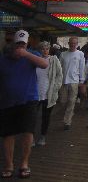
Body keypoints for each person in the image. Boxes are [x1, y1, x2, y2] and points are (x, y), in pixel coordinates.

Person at [0, 30, 48, 179]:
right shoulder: (4, 58)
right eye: (18, 43)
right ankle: (9, 165)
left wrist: (26, 54)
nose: (21, 46)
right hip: (7, 102)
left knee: (28, 132)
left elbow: (45, 64)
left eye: (23, 44)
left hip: (29, 100)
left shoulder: (32, 55)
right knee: (8, 134)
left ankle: (24, 164)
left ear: (27, 44)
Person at [34, 41, 63, 147]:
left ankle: (42, 136)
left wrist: (55, 88)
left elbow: (59, 75)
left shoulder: (54, 60)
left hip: (48, 93)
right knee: (32, 116)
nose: (45, 51)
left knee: (45, 116)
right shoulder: (36, 60)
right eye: (42, 49)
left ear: (49, 49)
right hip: (35, 93)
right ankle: (31, 137)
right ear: (39, 50)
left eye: (47, 49)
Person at [58, 37, 86, 130]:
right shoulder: (63, 54)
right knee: (63, 101)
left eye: (75, 43)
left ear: (77, 44)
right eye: (71, 43)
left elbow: (82, 67)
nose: (73, 45)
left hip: (74, 81)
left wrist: (81, 80)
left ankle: (67, 121)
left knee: (71, 101)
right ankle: (69, 112)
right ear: (68, 43)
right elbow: (59, 68)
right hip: (64, 81)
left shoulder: (80, 54)